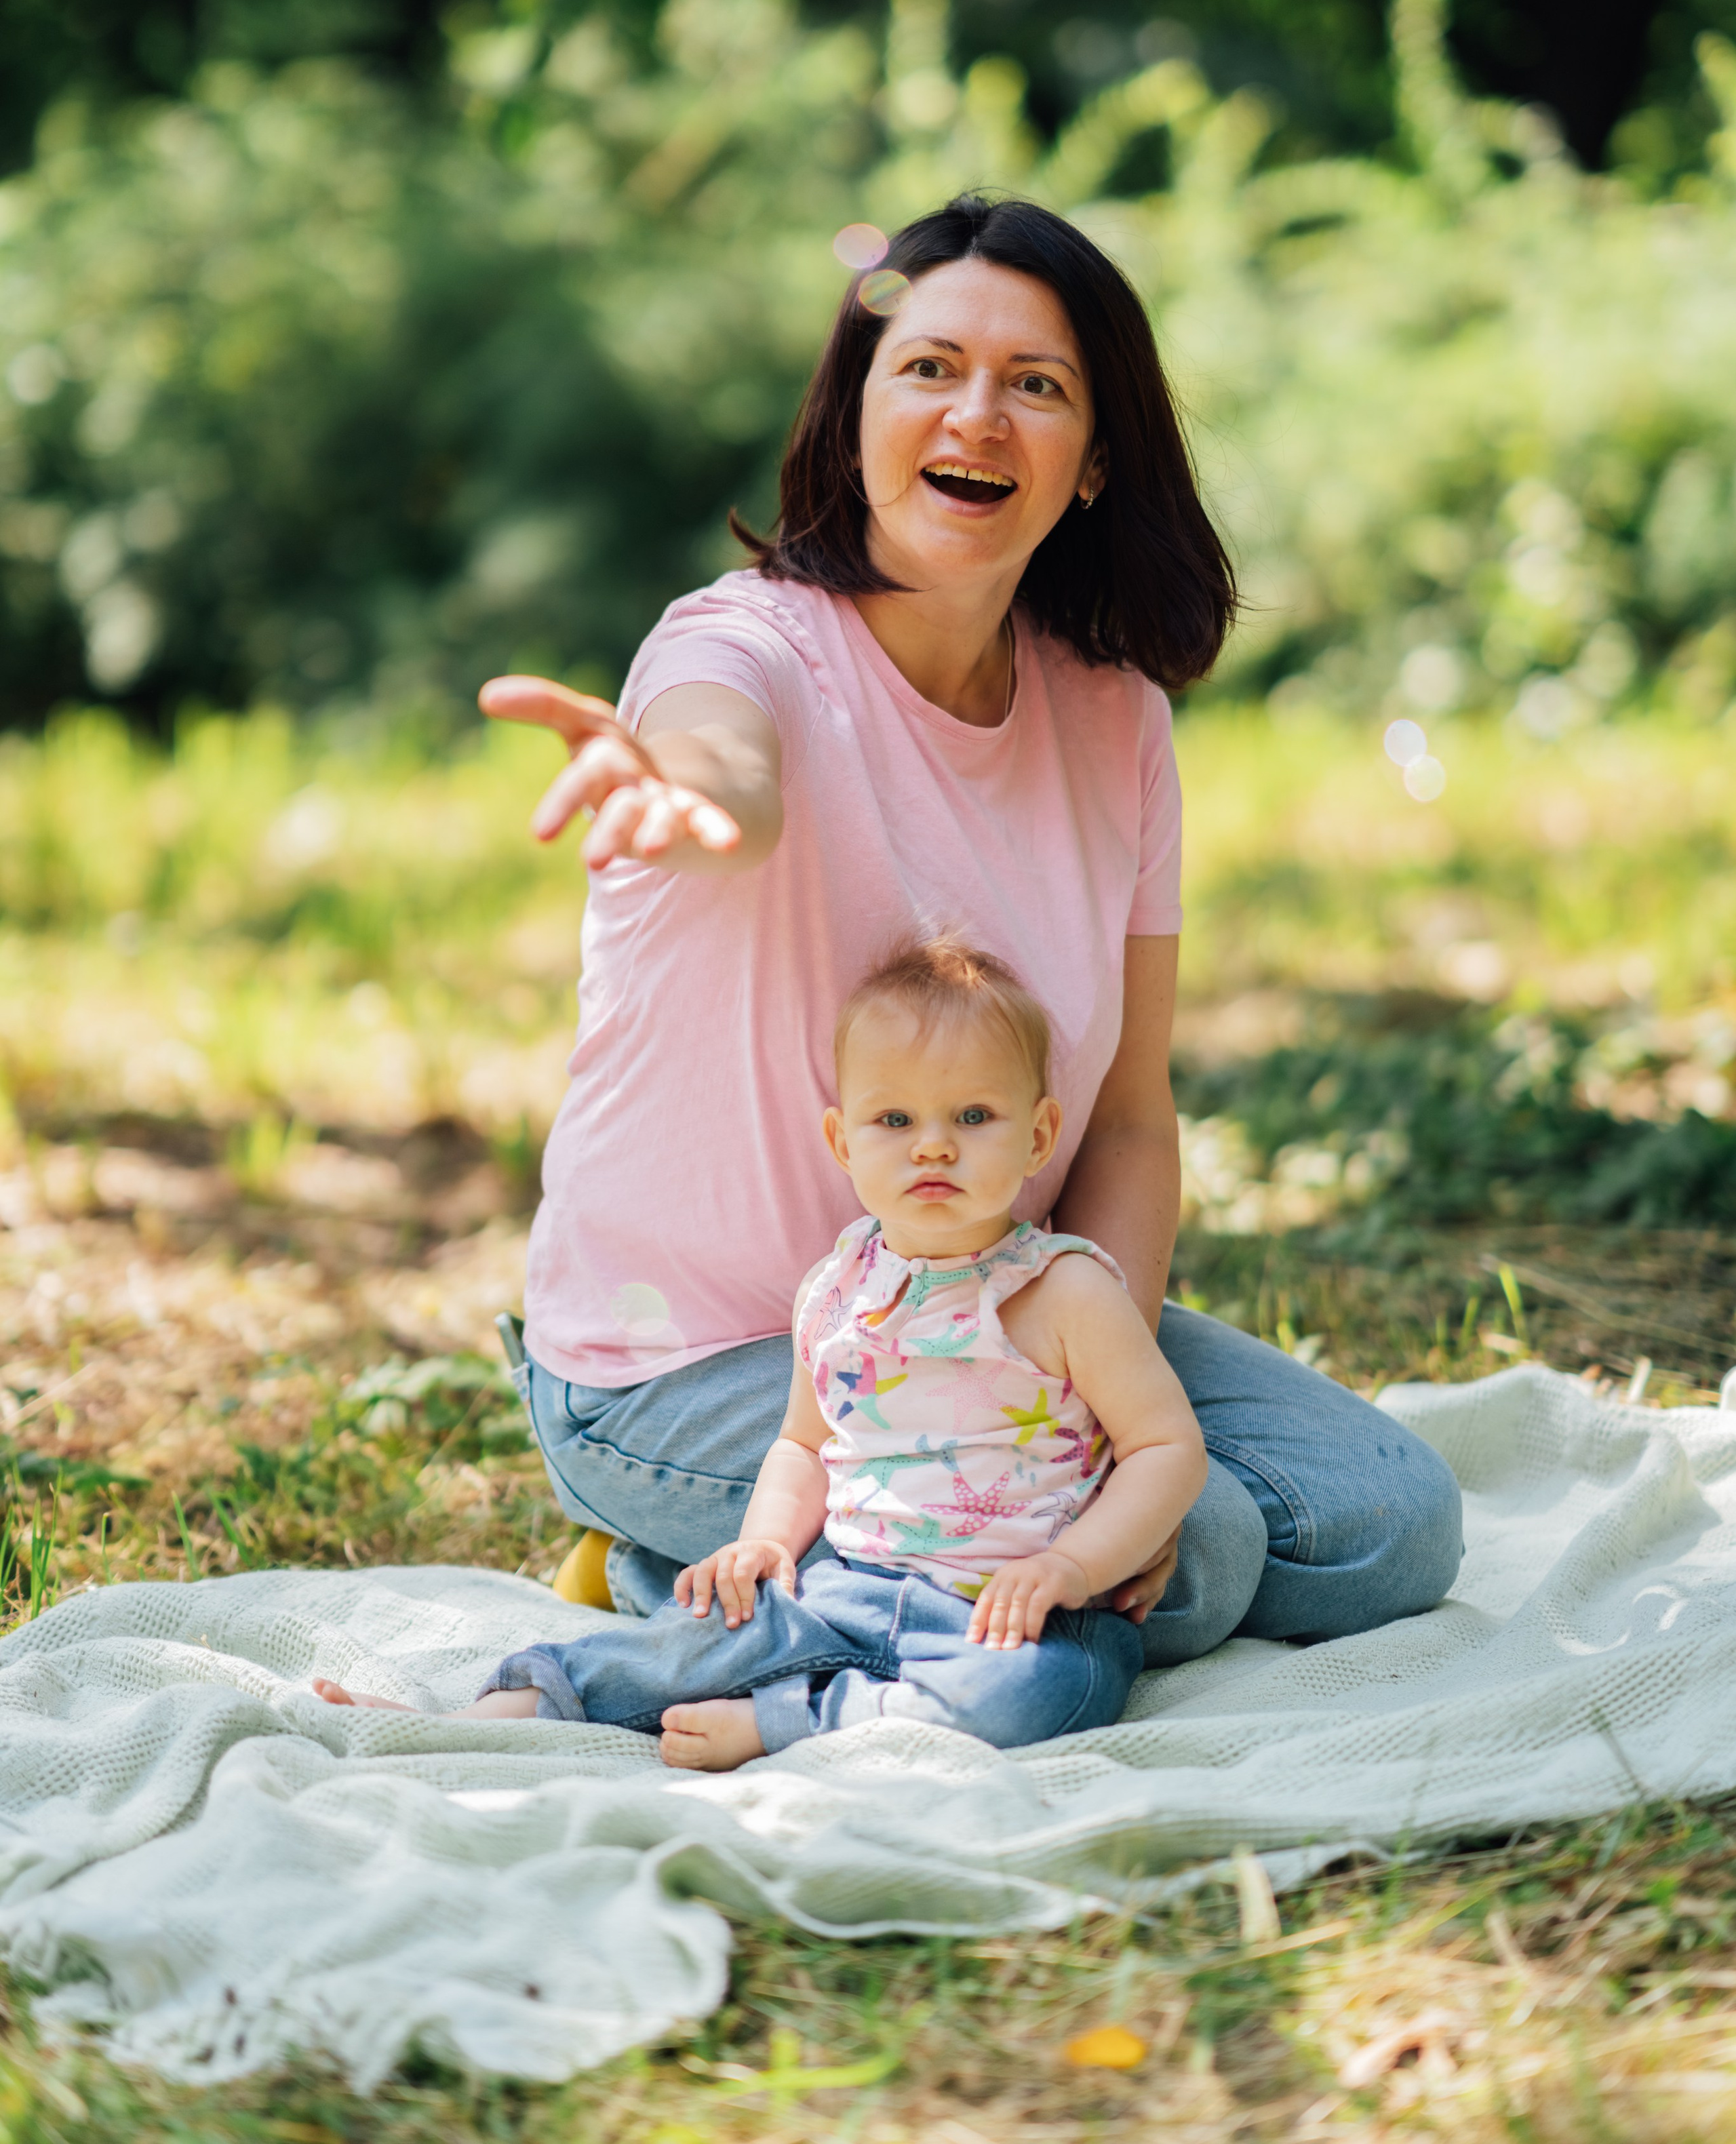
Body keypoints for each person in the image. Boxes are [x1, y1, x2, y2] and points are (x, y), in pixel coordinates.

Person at [475, 194, 1461, 1658]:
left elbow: (1127, 1118)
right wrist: (681, 790)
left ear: (1095, 459)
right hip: (690, 1364)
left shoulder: (1114, 716)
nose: (977, 415)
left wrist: (1094, 1406)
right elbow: (720, 752)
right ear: (854, 414)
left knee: (1386, 1520)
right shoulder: (741, 645)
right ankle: (663, 1565)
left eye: (1036, 385)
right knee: (1195, 1557)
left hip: (997, 1306)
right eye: (929, 367)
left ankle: (816, 1591)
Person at [314, 940, 1207, 1762]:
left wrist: (1073, 1565)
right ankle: (478, 1718)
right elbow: (803, 1446)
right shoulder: (839, 1290)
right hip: (849, 1584)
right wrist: (765, 1545)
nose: (934, 1143)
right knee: (698, 1637)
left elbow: (1166, 1446)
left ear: (1040, 1136)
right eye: (894, 1118)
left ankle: (788, 1720)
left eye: (975, 1115)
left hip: (1016, 1616)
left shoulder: (1064, 1291)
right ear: (842, 1142)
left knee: (1049, 1693)